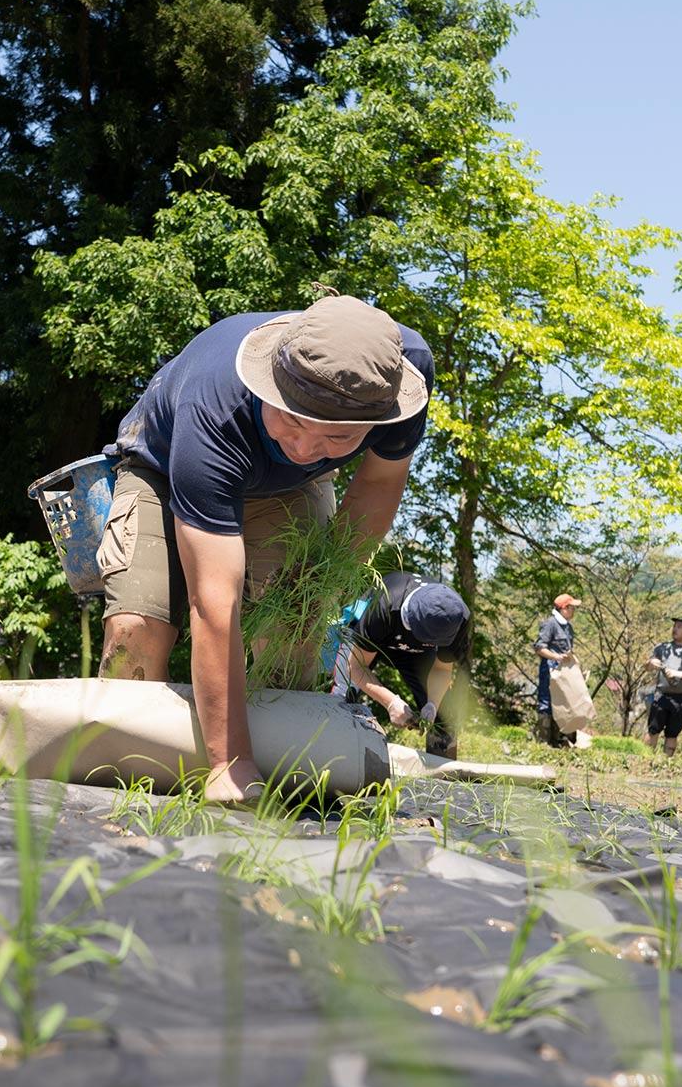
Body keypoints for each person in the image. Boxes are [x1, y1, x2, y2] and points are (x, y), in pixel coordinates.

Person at [97, 293, 432, 804]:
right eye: (291, 421)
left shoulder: (405, 372)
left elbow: (382, 480)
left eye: (337, 437)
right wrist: (229, 766)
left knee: (294, 625)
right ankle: (133, 784)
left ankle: (289, 773)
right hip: (162, 468)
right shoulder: (216, 403)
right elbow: (215, 602)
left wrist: (324, 577)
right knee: (136, 635)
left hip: (289, 489)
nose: (302, 447)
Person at [327, 572, 470, 758]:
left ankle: (443, 775)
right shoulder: (384, 606)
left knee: (445, 712)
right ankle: (333, 757)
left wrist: (432, 705)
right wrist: (391, 702)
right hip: (368, 641)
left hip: (416, 652)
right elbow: (355, 667)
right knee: (342, 697)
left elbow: (442, 669)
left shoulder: (456, 617)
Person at [644, 616, 682, 756]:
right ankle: (645, 759)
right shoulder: (662, 648)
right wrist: (650, 663)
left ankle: (667, 762)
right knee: (653, 729)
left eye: (679, 626)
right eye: (674, 626)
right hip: (661, 695)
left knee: (672, 733)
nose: (675, 629)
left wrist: (678, 674)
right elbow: (647, 667)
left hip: (681, 698)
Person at [533, 593, 580, 743]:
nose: (574, 611)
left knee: (564, 703)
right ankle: (544, 741)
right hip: (549, 669)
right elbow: (539, 648)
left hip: (564, 671)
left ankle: (560, 740)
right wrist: (556, 657)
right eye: (572, 608)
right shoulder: (550, 624)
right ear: (564, 608)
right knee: (546, 702)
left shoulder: (568, 627)